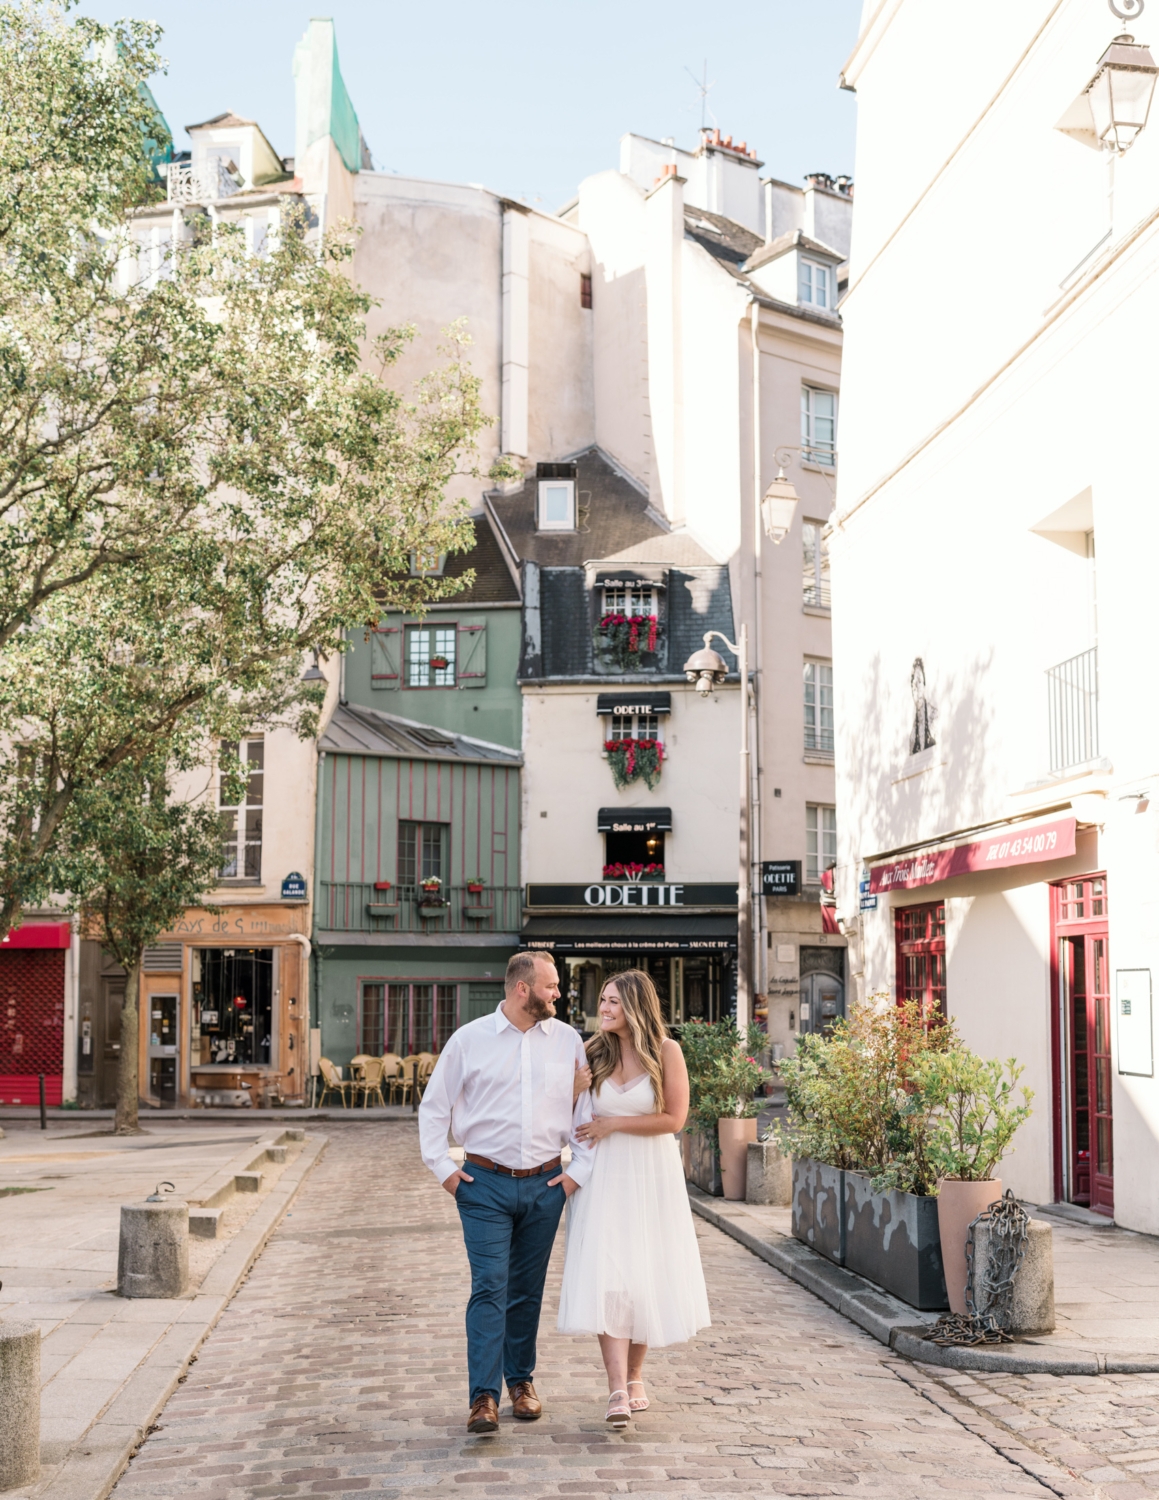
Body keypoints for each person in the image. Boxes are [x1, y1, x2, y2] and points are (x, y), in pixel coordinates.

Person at [418, 951, 594, 1435]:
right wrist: (445, 1173)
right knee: (490, 1286)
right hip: (483, 1184)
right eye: (551, 986)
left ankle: (521, 1383)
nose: (558, 993)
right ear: (523, 988)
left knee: (526, 1292)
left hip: (545, 1183)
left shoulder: (568, 1041)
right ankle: (483, 1398)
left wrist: (577, 1172)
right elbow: (433, 1110)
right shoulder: (469, 1040)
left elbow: (584, 1116)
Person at [557, 969, 710, 1428]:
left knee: (644, 1273)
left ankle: (637, 1375)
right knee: (609, 1277)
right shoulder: (590, 1052)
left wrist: (614, 1124)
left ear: (636, 1006)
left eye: (612, 1003)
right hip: (603, 1178)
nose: (603, 1009)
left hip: (652, 1176)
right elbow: (565, 1116)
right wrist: (573, 1092)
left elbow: (674, 1118)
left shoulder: (667, 1051)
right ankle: (617, 1388)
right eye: (602, 1000)